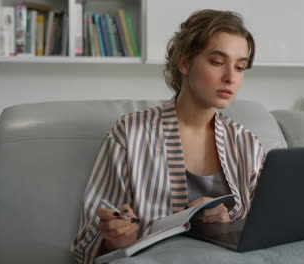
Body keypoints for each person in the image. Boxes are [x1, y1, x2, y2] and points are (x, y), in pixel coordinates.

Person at [70, 9, 266, 264]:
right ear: (184, 62)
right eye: (217, 62)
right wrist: (115, 239)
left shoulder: (246, 144)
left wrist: (226, 226)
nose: (231, 77)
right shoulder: (130, 133)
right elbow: (89, 240)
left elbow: (265, 234)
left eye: (240, 67)